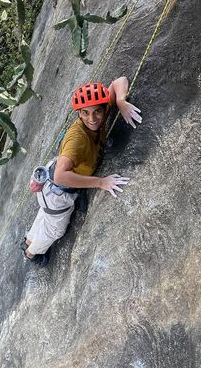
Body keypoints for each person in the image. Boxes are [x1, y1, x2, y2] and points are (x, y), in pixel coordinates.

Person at [23, 77, 142, 265]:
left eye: (97, 112)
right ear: (79, 113)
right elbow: (61, 175)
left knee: (46, 214)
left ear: (104, 108)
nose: (92, 119)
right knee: (55, 230)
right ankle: (30, 253)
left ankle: (29, 239)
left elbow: (120, 81)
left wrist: (120, 101)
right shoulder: (77, 139)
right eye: (85, 113)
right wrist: (101, 182)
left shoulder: (101, 110)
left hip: (50, 186)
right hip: (58, 192)